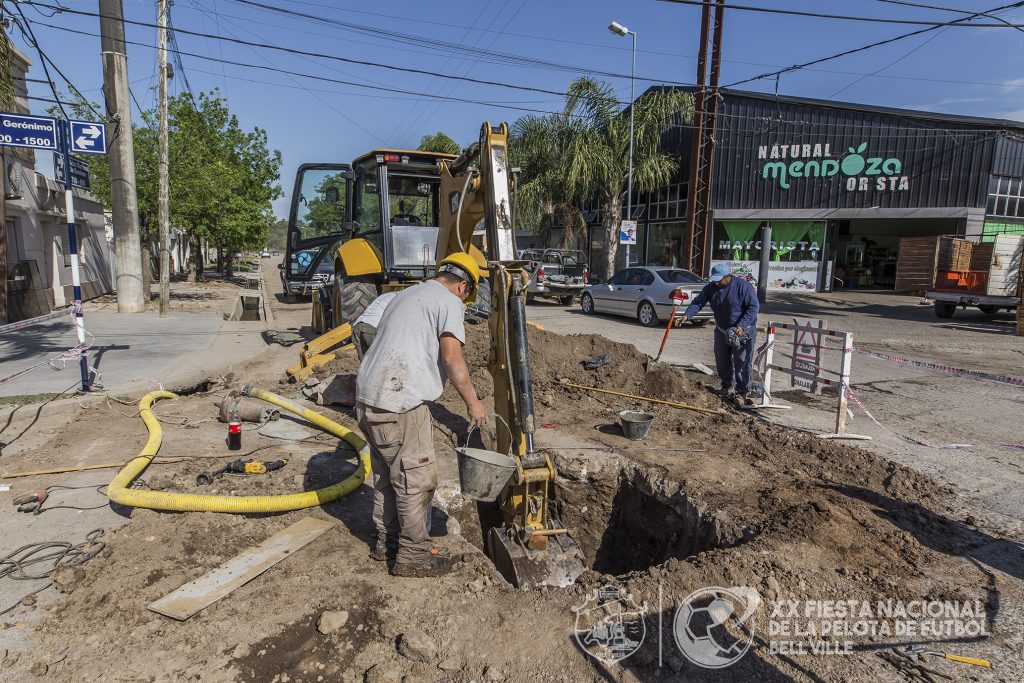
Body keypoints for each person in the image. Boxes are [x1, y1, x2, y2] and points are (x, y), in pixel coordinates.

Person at [355, 252, 488, 577]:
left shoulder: (408, 294)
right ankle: (413, 557)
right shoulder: (450, 302)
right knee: (417, 481)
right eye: (468, 294)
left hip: (367, 397)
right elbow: (452, 357)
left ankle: (387, 542)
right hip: (400, 401)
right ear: (464, 286)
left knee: (387, 475)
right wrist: (474, 403)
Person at [680, 263, 760, 406]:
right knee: (722, 360)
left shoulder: (743, 287)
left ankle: (742, 391)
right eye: (714, 279)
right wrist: (687, 315)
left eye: (719, 279)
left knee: (741, 361)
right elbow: (698, 302)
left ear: (728, 276)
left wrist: (742, 325)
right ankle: (727, 386)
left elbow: (753, 307)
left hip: (742, 330)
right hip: (722, 329)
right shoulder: (711, 288)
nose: (716, 282)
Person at [351, 291, 397, 359]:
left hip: (357, 326)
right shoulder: (400, 298)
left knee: (364, 365)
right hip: (371, 327)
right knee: (380, 360)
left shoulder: (385, 295)